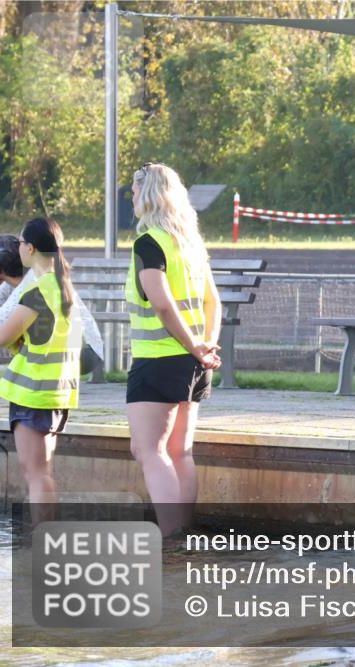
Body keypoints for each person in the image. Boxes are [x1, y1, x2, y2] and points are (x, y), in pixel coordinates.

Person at [126, 162, 221, 537]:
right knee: (181, 451)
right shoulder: (190, 243)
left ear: (147, 195)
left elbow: (162, 304)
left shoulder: (148, 243)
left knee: (149, 451)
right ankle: (185, 534)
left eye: (133, 192)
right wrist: (205, 346)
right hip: (195, 362)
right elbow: (214, 301)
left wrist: (196, 346)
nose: (131, 199)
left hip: (159, 360)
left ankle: (170, 537)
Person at [0, 219, 83, 525]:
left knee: (36, 474)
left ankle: (42, 542)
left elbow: (3, 336)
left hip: (34, 392)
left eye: (20, 243)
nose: (18, 248)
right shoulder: (63, 285)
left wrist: (18, 345)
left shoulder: (38, 288)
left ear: (30, 248)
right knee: (41, 471)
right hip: (56, 390)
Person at [0, 234, 104, 375]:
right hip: (75, 347)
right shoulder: (22, 279)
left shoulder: (32, 279)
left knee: (16, 332)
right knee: (19, 329)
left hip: (85, 352)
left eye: (22, 243)